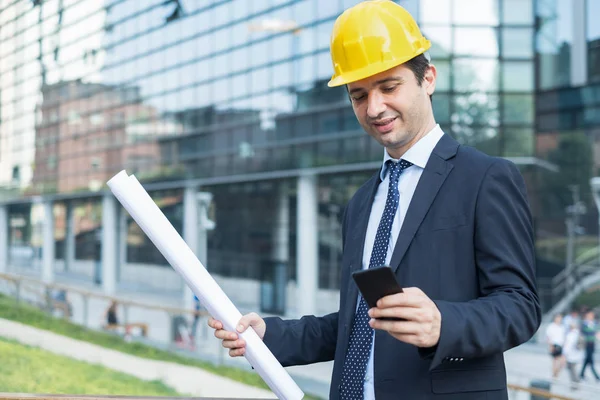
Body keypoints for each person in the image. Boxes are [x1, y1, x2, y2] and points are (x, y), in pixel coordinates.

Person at [208, 1, 541, 399]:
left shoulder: (485, 177)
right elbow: (358, 323)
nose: (375, 108)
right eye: (359, 95)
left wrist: (443, 323)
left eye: (389, 87)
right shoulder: (363, 201)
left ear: (428, 78)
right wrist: (270, 335)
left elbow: (520, 306)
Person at [580, 310, 600, 381]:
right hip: (587, 343)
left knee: (587, 360)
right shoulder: (584, 323)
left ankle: (581, 374)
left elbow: (597, 332)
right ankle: (596, 376)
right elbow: (583, 333)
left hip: (593, 343)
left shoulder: (595, 323)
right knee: (590, 360)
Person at [562, 321, 583, 390]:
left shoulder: (570, 335)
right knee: (573, 369)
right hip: (577, 355)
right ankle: (575, 382)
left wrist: (564, 355)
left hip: (570, 356)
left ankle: (575, 383)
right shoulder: (578, 334)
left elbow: (567, 347)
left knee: (572, 370)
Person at [545, 313, 566, 379]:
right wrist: (551, 346)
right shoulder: (551, 326)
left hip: (561, 345)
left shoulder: (562, 327)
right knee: (555, 361)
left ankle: (555, 375)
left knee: (562, 362)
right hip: (554, 345)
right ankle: (554, 376)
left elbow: (563, 337)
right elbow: (548, 337)